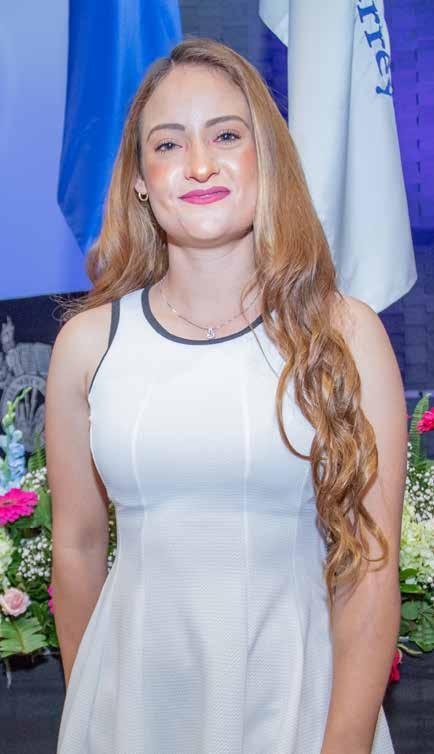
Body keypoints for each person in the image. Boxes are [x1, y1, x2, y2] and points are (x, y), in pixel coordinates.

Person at [45, 36, 407, 754]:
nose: (200, 165)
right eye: (168, 144)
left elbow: (370, 571)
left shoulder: (346, 335)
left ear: (265, 157)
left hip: (299, 708)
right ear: (140, 180)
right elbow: (78, 549)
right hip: (132, 715)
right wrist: (93, 708)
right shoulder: (88, 345)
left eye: (226, 136)